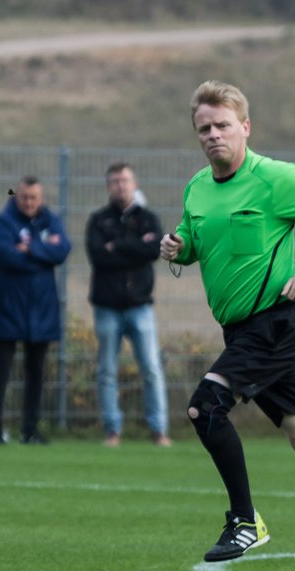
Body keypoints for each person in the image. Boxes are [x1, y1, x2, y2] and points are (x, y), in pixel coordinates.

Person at [159, 80, 295, 570]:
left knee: (206, 407)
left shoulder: (274, 179)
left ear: (245, 127)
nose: (213, 135)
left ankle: (245, 520)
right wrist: (181, 247)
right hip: (241, 332)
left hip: (275, 324)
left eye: (222, 125)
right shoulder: (197, 187)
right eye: (204, 128)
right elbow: (199, 239)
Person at [85, 162, 171, 448]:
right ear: (108, 186)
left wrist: (118, 246)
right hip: (107, 307)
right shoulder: (98, 221)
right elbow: (99, 257)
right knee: (107, 371)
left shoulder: (149, 219)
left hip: (140, 306)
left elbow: (152, 250)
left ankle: (159, 431)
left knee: (151, 369)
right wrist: (135, 246)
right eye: (115, 181)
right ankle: (112, 431)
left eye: (125, 180)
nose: (121, 185)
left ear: (134, 183)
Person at [0, 176, 71, 445]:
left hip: (41, 312)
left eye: (34, 198)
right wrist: (43, 253)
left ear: (41, 198)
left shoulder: (51, 220)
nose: (29, 202)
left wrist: (29, 248)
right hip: (8, 310)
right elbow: (5, 254)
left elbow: (63, 250)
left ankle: (30, 430)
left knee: (36, 374)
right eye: (24, 197)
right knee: (2, 372)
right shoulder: (2, 222)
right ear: (16, 196)